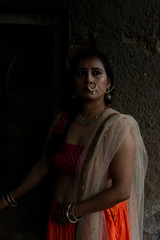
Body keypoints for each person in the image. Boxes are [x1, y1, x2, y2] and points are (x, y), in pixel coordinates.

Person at [0, 48, 148, 240]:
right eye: (81, 73)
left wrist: (74, 212)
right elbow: (42, 166)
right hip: (59, 219)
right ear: (72, 82)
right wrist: (7, 199)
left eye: (96, 73)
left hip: (98, 222)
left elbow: (121, 190)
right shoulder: (63, 120)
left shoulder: (118, 127)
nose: (89, 80)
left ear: (108, 82)